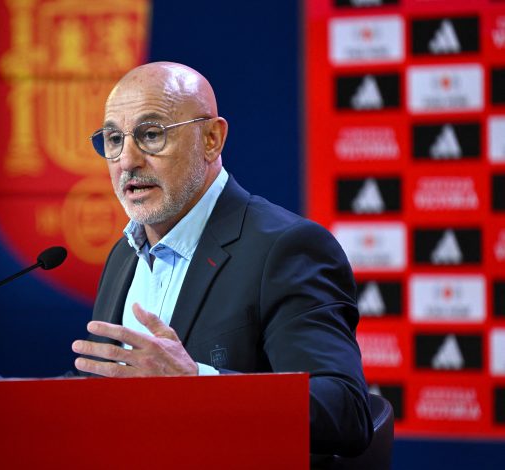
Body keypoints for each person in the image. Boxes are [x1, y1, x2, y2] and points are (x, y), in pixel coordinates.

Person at [70, 62, 373, 457]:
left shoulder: (285, 248)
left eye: (150, 134)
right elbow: (106, 387)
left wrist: (198, 386)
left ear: (211, 139)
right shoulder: (124, 254)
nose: (127, 161)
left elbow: (344, 410)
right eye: (113, 139)